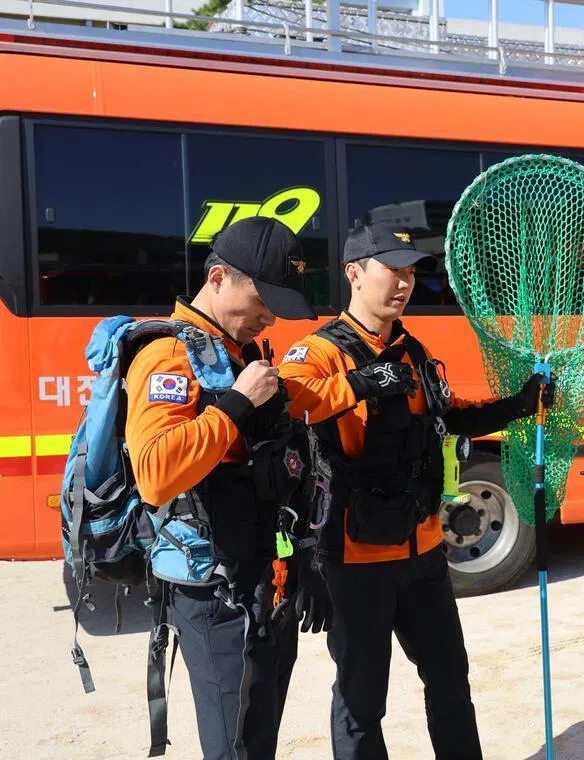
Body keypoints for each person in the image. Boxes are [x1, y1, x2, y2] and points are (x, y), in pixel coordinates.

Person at [279, 220, 554, 760]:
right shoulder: (318, 352)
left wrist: (517, 406)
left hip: (425, 551)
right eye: (392, 270)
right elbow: (288, 401)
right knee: (361, 701)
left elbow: (447, 415)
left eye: (410, 273)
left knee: (451, 681)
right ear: (354, 274)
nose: (404, 283)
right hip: (356, 559)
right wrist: (359, 383)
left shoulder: (412, 350)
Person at [124, 216, 327, 760]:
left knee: (257, 740)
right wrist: (237, 404)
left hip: (262, 579)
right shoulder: (167, 356)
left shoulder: (238, 353)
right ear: (217, 278)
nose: (270, 317)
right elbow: (156, 473)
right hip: (215, 594)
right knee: (234, 746)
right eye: (263, 300)